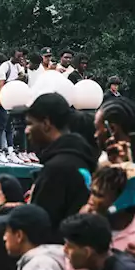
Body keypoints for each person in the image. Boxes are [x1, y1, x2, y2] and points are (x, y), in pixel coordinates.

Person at [24, 93, 95, 235]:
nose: (26, 131)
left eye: (30, 124)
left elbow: (41, 227)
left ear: (46, 124)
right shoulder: (82, 159)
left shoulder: (58, 169)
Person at [3, 203, 66, 270]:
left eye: (7, 231)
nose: (4, 237)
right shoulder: (36, 261)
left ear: (19, 235)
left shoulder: (40, 266)